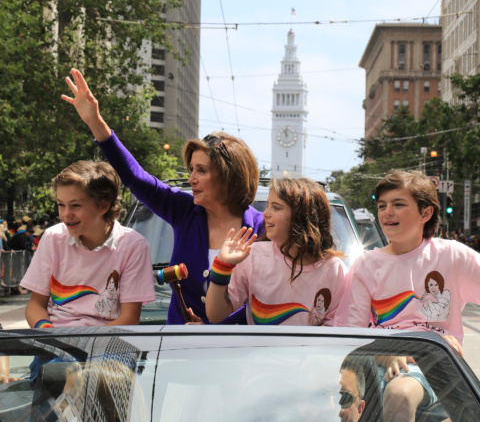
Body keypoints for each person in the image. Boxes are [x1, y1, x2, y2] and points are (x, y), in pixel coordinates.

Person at [61, 68, 264, 325]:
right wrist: (95, 122)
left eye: (201, 170)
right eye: (191, 169)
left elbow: (267, 298)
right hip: (177, 345)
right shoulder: (183, 210)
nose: (192, 178)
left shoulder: (262, 228)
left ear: (228, 176)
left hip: (239, 347)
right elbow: (137, 179)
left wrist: (215, 328)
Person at [334, 169, 480, 422]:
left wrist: (436, 346)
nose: (387, 212)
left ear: (426, 213)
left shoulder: (453, 255)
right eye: (382, 206)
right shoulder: (365, 265)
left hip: (436, 366)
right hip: (379, 365)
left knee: (400, 393)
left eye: (398, 204)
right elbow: (350, 334)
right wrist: (386, 354)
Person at [20, 160, 155, 327]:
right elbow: (35, 306)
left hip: (107, 339)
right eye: (61, 204)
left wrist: (82, 341)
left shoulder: (133, 245)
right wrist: (48, 333)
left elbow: (129, 319)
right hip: (54, 336)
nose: (66, 214)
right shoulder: (52, 237)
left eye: (75, 205)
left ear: (103, 206)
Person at [206, 177, 347, 326]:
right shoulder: (253, 255)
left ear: (302, 216)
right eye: (267, 206)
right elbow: (215, 315)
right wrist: (222, 266)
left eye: (276, 207)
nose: (265, 213)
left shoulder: (335, 269)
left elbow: (335, 328)